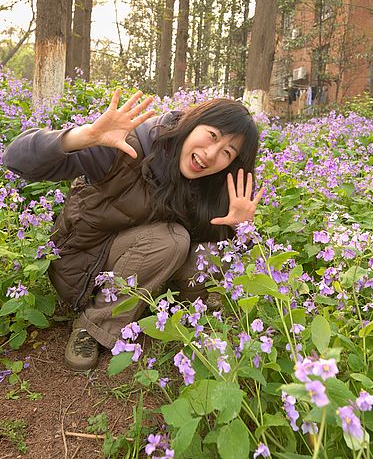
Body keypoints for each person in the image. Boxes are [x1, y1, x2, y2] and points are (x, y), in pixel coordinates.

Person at [3, 89, 264, 371]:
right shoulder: (127, 147)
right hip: (82, 266)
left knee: (208, 248)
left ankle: (189, 314)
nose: (211, 155)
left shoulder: (210, 184)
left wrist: (241, 230)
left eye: (227, 152)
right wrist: (84, 135)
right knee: (172, 240)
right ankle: (92, 326)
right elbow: (16, 159)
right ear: (192, 121)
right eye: (212, 135)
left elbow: (213, 253)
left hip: (142, 270)